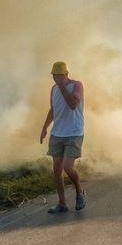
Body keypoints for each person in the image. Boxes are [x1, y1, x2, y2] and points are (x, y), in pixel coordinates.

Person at [40, 61, 85, 213]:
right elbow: (53, 110)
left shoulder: (77, 85)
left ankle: (79, 192)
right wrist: (44, 128)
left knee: (68, 167)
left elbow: (72, 104)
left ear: (67, 74)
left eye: (60, 75)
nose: (57, 78)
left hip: (74, 132)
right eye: (54, 76)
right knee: (57, 169)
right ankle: (62, 203)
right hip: (57, 133)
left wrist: (62, 86)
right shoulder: (53, 89)